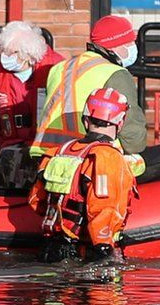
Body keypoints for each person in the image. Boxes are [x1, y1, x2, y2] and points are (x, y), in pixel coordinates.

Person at [31, 15, 160, 182]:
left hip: (45, 158)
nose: (133, 48)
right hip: (86, 161)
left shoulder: (59, 68)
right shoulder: (114, 73)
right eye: (129, 43)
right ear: (116, 46)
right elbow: (134, 142)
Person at [29, 87, 138, 263]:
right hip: (86, 251)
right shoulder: (108, 157)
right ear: (120, 122)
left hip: (51, 248)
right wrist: (104, 250)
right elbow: (104, 207)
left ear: (86, 121)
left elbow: (36, 201)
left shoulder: (56, 152)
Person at [0, 21, 64, 188]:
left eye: (12, 52)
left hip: (46, 147)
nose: (5, 57)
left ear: (29, 54)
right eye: (3, 51)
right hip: (9, 147)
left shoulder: (55, 68)